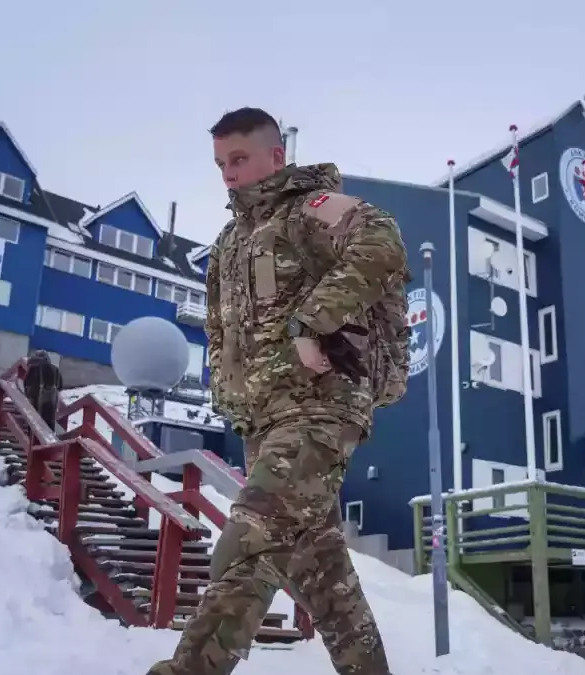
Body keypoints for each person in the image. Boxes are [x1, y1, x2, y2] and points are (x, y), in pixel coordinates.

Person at [146, 107, 409, 675]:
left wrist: (312, 323)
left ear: (276, 156)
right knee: (324, 578)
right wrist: (231, 397)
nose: (228, 173)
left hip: (318, 407)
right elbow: (224, 333)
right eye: (221, 163)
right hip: (262, 422)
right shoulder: (228, 242)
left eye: (239, 159)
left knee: (253, 537)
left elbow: (381, 240)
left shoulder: (309, 209)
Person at [23, 350, 62, 430]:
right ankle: (48, 435)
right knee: (48, 423)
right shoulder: (55, 369)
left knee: (33, 422)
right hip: (50, 401)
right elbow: (60, 386)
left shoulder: (32, 367)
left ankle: (32, 434)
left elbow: (25, 383)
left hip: (33, 400)